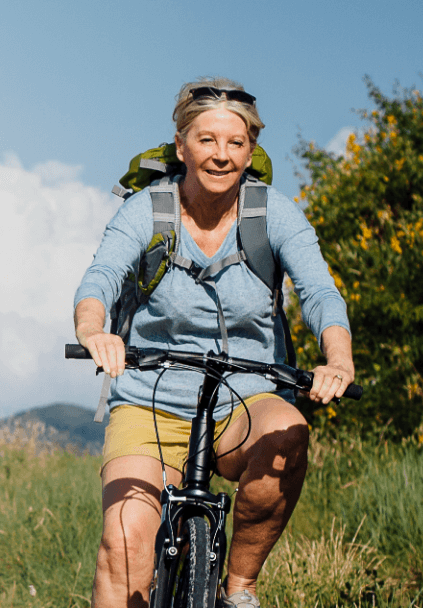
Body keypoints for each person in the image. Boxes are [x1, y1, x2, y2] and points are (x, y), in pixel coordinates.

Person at [74, 78, 355, 608]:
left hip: (246, 397)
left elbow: (319, 291)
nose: (221, 155)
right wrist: (95, 330)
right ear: (181, 146)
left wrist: (337, 357)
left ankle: (239, 589)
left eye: (235, 143)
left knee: (290, 433)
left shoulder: (274, 213)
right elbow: (101, 279)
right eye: (206, 140)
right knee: (124, 543)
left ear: (251, 151)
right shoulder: (147, 210)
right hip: (150, 398)